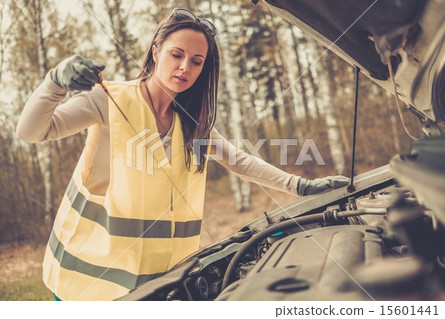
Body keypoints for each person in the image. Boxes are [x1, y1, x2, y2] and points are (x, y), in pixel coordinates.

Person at [16, 8, 349, 301]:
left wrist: (301, 187)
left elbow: (242, 161)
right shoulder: (108, 100)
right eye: (176, 54)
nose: (184, 67)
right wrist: (55, 82)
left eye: (196, 61)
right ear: (156, 51)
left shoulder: (191, 124)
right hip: (89, 279)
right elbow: (32, 132)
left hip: (158, 282)